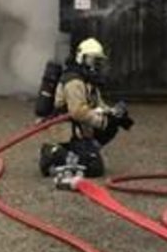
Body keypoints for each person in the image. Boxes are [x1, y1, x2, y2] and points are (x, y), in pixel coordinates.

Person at [38, 38, 134, 178]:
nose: (97, 65)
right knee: (94, 168)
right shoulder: (74, 81)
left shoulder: (89, 81)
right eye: (94, 61)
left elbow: (98, 105)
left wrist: (114, 113)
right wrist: (101, 121)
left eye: (98, 62)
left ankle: (87, 151)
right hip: (68, 133)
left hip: (81, 130)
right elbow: (77, 111)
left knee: (113, 122)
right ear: (82, 58)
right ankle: (52, 154)